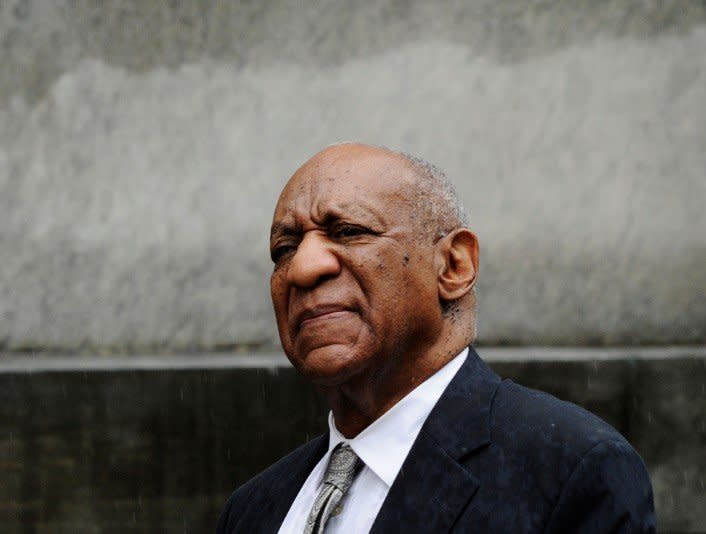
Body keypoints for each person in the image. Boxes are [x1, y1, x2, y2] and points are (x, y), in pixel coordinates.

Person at [217, 143, 656, 533]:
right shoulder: (253, 509)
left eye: (348, 231)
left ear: (454, 266)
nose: (302, 268)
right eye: (284, 249)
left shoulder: (569, 469)